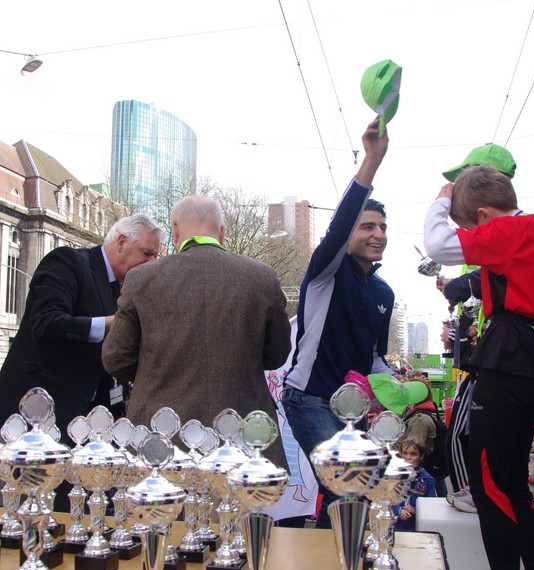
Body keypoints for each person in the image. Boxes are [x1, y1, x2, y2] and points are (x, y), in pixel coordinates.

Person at [423, 165, 534, 570]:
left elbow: (438, 245)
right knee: (514, 484)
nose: (476, 240)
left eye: (472, 228)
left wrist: (442, 199)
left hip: (504, 363)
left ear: (485, 216)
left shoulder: (508, 231)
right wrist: (528, 330)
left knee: (488, 483)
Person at [102, 195, 291, 463]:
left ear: (175, 230)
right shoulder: (262, 278)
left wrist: (158, 369)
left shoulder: (141, 279)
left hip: (161, 436)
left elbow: (115, 359)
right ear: (222, 232)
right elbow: (277, 355)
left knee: (161, 492)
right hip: (242, 437)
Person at [280, 117, 394, 529]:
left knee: (355, 489)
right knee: (345, 485)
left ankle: (347, 558)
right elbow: (341, 221)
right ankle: (338, 564)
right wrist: (371, 161)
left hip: (352, 410)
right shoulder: (326, 270)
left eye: (382, 227)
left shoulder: (384, 293)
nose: (377, 233)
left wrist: (396, 387)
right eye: (367, 226)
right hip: (309, 398)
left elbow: (375, 357)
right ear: (348, 237)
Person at [0, 213, 165, 431]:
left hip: (90, 424)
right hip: (36, 416)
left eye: (155, 257)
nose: (151, 263)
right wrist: (114, 324)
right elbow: (46, 323)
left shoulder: (125, 289)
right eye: (146, 253)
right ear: (122, 242)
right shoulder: (68, 262)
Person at [436, 144, 517, 514]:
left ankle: (474, 491)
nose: (456, 190)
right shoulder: (511, 235)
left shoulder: (502, 236)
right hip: (494, 351)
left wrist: (440, 203)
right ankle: (485, 493)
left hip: (497, 357)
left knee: (463, 432)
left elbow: (439, 244)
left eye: (463, 180)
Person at [393, 437, 436, 533]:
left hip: (417, 528)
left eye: (413, 454)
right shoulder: (394, 476)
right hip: (395, 526)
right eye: (405, 453)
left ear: (421, 456)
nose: (408, 457)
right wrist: (399, 510)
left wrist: (416, 510)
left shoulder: (428, 480)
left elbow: (431, 506)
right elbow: (387, 500)